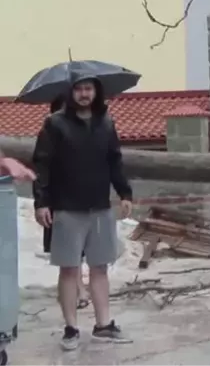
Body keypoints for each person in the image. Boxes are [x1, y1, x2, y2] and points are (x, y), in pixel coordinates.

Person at [32, 73, 134, 351]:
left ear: (96, 92)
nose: (84, 94)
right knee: (69, 270)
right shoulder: (55, 124)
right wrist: (41, 202)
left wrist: (125, 193)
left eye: (88, 88)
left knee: (100, 268)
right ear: (70, 93)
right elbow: (42, 166)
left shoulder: (106, 123)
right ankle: (71, 328)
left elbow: (115, 161)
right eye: (78, 89)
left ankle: (103, 325)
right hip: (66, 209)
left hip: (100, 208)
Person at [41, 97, 90, 310]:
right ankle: (74, 289)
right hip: (58, 201)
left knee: (78, 250)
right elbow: (42, 170)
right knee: (67, 253)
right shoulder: (48, 137)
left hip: (81, 199)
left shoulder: (84, 133)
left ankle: (78, 288)